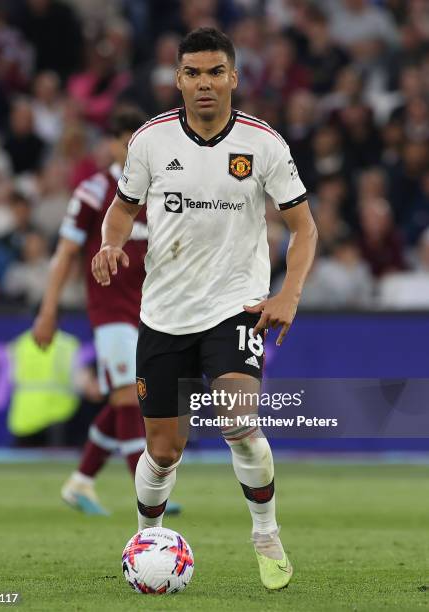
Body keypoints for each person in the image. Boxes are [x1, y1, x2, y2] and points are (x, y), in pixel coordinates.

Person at [92, 28, 317, 590]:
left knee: (240, 424)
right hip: (163, 312)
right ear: (178, 80)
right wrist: (110, 243)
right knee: (164, 451)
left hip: (235, 305)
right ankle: (147, 540)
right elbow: (121, 209)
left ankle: (265, 534)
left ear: (234, 78)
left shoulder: (263, 144)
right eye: (193, 73)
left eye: (216, 72)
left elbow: (303, 226)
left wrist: (288, 293)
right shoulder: (150, 141)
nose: (205, 83)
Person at [32, 107, 180, 517]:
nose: (134, 148)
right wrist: (48, 310)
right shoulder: (94, 192)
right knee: (128, 397)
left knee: (126, 400)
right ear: (113, 143)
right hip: (110, 310)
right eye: (126, 140)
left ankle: (81, 481)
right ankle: (148, 491)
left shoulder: (163, 192)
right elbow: (64, 253)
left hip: (155, 312)